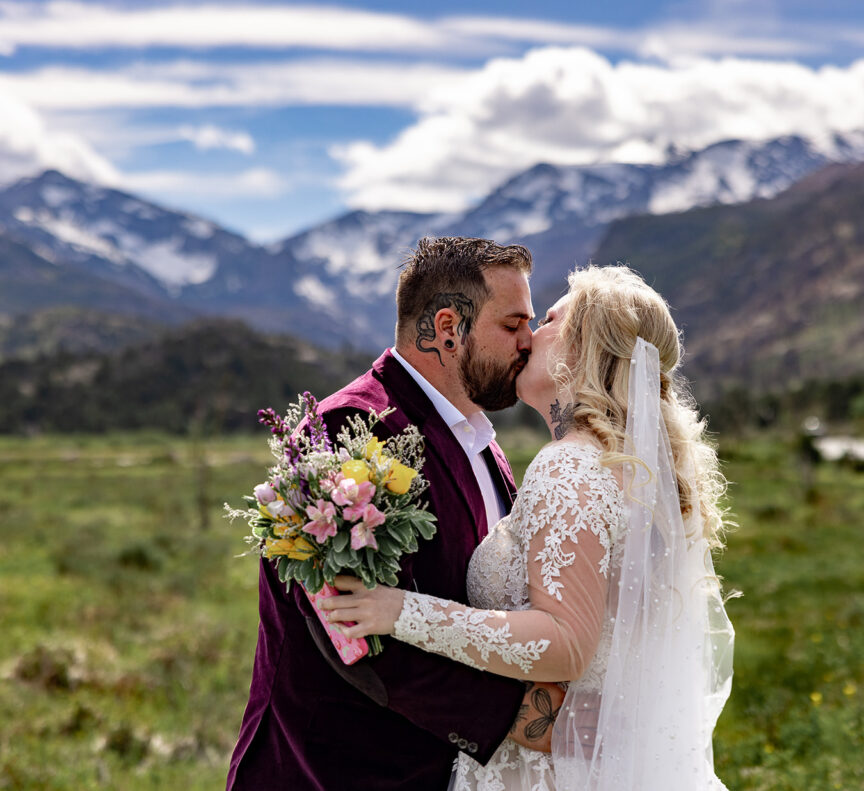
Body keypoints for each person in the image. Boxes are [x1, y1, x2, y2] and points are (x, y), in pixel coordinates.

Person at [320, 265, 735, 790]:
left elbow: (565, 640)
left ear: (582, 347)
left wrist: (400, 610)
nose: (528, 338)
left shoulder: (570, 466)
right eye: (517, 322)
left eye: (548, 320)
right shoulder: (624, 470)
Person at [226, 237, 569, 790]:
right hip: (335, 771)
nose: (528, 342)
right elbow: (354, 634)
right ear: (449, 328)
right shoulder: (346, 432)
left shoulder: (482, 441)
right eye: (512, 325)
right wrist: (527, 720)